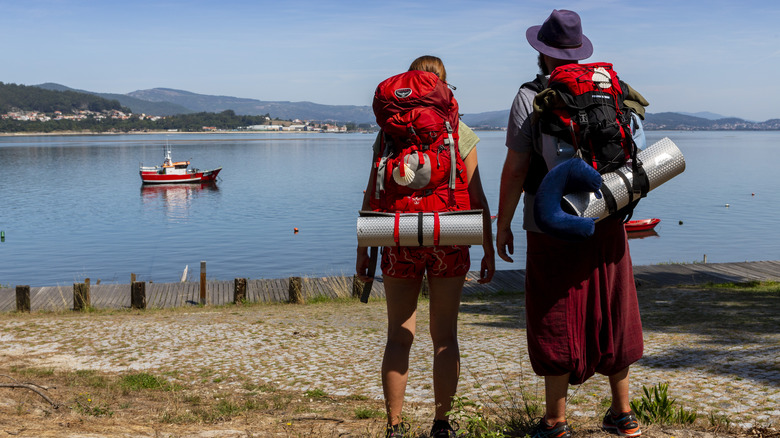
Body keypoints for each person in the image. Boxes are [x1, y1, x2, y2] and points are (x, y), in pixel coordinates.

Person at [495, 10, 644, 438]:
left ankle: (556, 421)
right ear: (579, 52)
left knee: (553, 309)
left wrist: (503, 224)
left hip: (552, 222)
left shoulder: (532, 95)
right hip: (608, 214)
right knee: (613, 305)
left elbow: (517, 167)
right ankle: (623, 413)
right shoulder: (610, 88)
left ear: (541, 53)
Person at [357, 55, 495, 438]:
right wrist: (488, 247)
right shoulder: (457, 129)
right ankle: (440, 424)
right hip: (448, 236)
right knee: (445, 336)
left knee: (399, 335)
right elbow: (477, 195)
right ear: (444, 87)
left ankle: (395, 425)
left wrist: (364, 249)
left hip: (397, 237)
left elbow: (373, 192)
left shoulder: (388, 133)